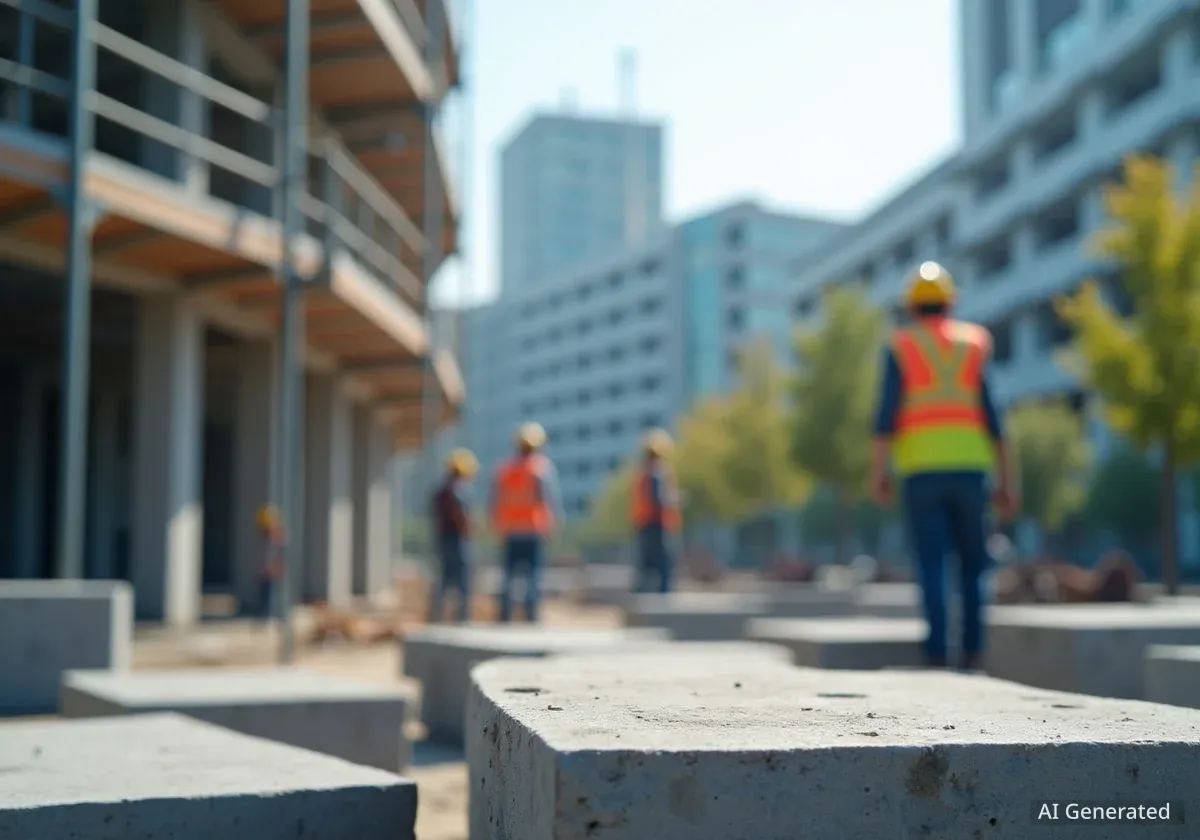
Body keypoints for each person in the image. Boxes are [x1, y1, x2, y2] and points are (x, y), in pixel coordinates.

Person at [868, 261, 1019, 671]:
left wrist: (879, 473)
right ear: (950, 304)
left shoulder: (901, 345)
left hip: (921, 470)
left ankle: (937, 653)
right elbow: (995, 420)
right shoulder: (974, 343)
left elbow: (885, 416)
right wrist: (1009, 480)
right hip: (972, 469)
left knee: (932, 563)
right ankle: (973, 653)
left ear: (911, 308)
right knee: (974, 565)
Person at [490, 422, 562, 622]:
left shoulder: (505, 469)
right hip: (533, 529)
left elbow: (495, 501)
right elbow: (549, 499)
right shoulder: (541, 468)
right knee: (533, 576)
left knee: (509, 577)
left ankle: (505, 616)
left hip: (510, 530)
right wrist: (553, 524)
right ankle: (531, 617)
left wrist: (497, 526)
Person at [429, 448, 478, 623]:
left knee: (443, 579)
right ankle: (463, 616)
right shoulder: (461, 490)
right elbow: (464, 517)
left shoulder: (441, 490)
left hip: (443, 539)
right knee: (463, 579)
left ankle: (436, 616)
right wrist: (470, 530)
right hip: (459, 539)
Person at [629, 428, 681, 593]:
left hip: (644, 524)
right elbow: (659, 499)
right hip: (658, 524)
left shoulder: (642, 472)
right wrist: (674, 500)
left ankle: (643, 596)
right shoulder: (658, 472)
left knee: (646, 565)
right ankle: (663, 598)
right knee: (664, 564)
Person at [255, 505, 285, 623]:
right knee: (266, 595)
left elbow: (279, 557)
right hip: (268, 573)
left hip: (274, 573)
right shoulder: (267, 540)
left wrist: (276, 569)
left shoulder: (278, 539)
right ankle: (268, 615)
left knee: (274, 595)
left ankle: (276, 616)